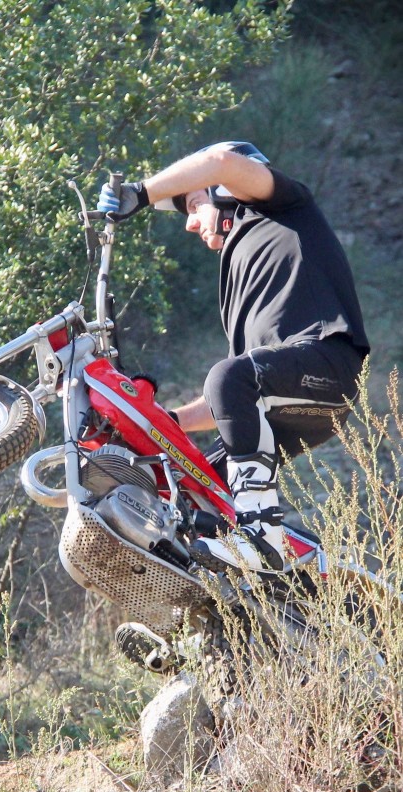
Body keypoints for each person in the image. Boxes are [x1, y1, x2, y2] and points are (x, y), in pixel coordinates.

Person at [96, 141, 370, 573]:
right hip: (287, 396)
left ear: (225, 191)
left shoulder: (283, 208)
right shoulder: (241, 285)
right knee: (198, 483)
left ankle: (262, 538)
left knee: (227, 377)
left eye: (192, 204)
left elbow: (221, 161)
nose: (189, 223)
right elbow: (232, 397)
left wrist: (141, 192)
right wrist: (168, 422)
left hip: (327, 366)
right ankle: (266, 600)